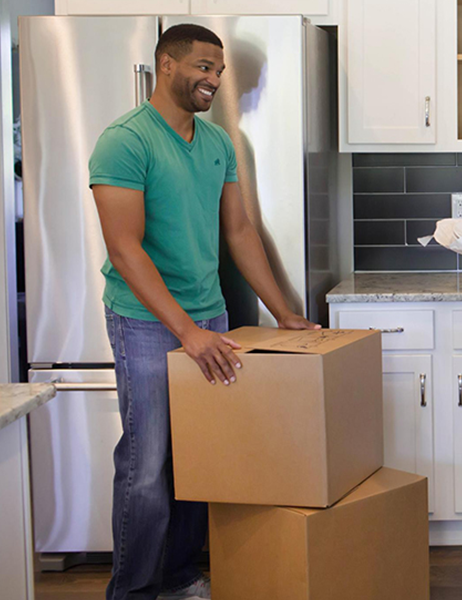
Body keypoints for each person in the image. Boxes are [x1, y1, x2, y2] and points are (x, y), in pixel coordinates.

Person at [89, 24, 318, 600]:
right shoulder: (126, 140)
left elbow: (238, 230)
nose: (213, 79)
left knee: (199, 458)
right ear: (166, 65)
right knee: (147, 467)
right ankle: (133, 590)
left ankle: (180, 574)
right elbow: (125, 247)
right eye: (202, 66)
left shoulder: (216, 142)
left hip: (209, 316)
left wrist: (283, 312)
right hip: (145, 323)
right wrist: (185, 331)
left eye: (218, 70)